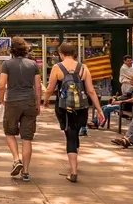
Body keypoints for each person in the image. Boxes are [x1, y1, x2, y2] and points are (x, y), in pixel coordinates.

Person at [43, 43, 105, 183]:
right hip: (81, 108)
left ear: (61, 53)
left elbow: (50, 88)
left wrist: (45, 100)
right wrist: (99, 109)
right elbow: (90, 91)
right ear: (74, 53)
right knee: (75, 133)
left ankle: (73, 171)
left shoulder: (57, 67)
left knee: (70, 135)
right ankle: (75, 159)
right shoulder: (83, 68)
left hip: (64, 107)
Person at [0, 38, 40, 181]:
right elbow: (38, 86)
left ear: (12, 50)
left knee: (9, 132)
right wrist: (38, 103)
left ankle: (16, 159)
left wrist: (2, 99)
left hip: (13, 101)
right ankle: (26, 172)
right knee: (27, 138)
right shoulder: (33, 64)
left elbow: (2, 85)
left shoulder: (7, 64)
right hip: (29, 102)